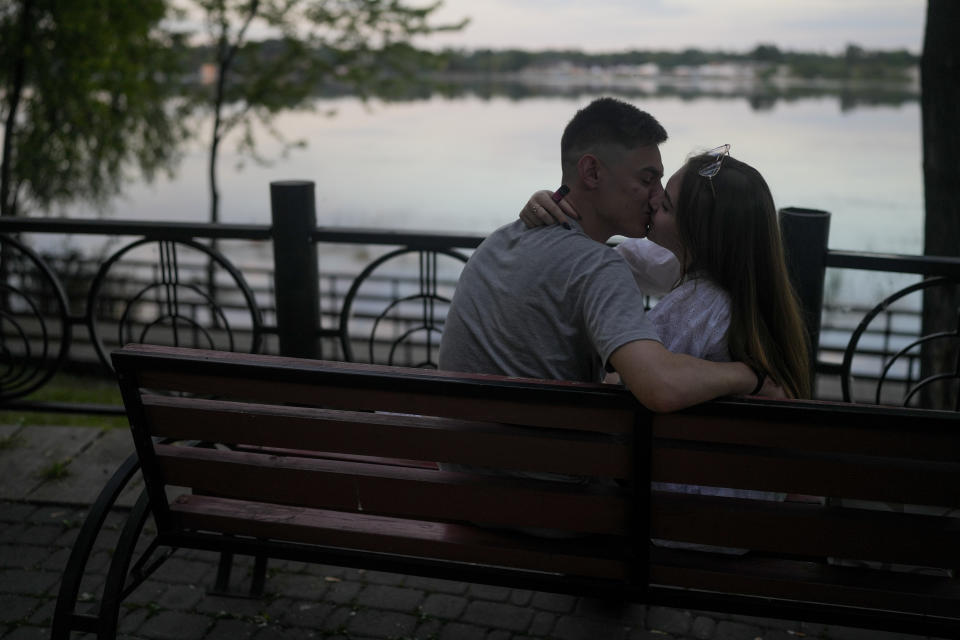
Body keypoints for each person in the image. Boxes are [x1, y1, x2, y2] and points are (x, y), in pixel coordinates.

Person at [438, 97, 783, 414]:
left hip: (459, 467)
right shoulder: (598, 267)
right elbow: (659, 386)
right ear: (592, 172)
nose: (656, 196)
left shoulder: (499, 241)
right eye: (647, 179)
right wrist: (749, 377)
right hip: (542, 476)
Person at [521, 144, 811, 399]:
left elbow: (635, 381)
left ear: (697, 235)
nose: (653, 199)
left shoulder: (697, 309)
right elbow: (607, 265)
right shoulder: (736, 279)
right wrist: (554, 206)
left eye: (667, 206)